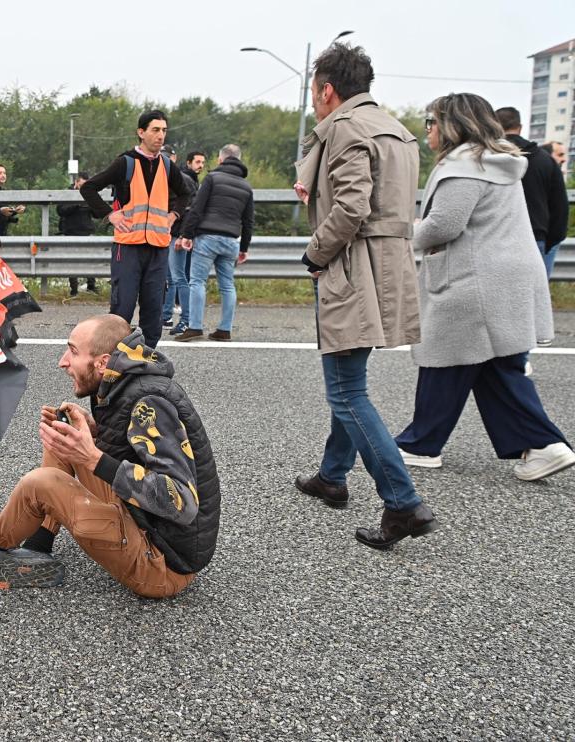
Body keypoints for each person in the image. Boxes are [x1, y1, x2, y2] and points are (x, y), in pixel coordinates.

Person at [0, 314, 220, 595]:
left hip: (162, 563)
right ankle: (37, 547)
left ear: (103, 362)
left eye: (72, 351)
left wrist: (92, 457)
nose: (62, 362)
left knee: (40, 484)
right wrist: (93, 433)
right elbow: (135, 453)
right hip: (148, 524)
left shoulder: (148, 403)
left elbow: (181, 501)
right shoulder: (124, 382)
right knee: (63, 440)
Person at [290, 43, 438, 550]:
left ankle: (402, 502)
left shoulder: (346, 129)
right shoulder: (397, 129)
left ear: (328, 90)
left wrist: (314, 253)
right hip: (388, 267)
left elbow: (351, 207)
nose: (315, 103)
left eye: (314, 92)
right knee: (349, 375)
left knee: (346, 391)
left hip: (353, 267)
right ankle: (333, 475)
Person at [394, 94, 574, 481]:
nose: (428, 128)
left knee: (446, 356)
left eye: (432, 120)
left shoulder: (466, 166)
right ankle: (542, 444)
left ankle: (422, 443)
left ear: (453, 124)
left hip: (475, 278)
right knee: (492, 363)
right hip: (501, 274)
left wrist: (400, 235)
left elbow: (445, 224)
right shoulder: (495, 161)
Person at [80, 110, 195, 348]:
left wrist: (173, 215)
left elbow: (186, 193)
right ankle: (114, 359)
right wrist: (109, 214)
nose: (160, 135)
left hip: (158, 247)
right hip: (128, 247)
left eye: (164, 130)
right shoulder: (126, 162)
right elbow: (89, 188)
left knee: (154, 307)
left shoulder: (166, 164)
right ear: (141, 132)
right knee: (123, 306)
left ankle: (148, 357)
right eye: (155, 130)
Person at [172, 144, 254, 342]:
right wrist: (243, 248)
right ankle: (224, 330)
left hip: (207, 238)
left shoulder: (212, 178)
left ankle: (195, 326)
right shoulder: (246, 186)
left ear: (220, 159)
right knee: (227, 285)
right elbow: (248, 220)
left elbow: (197, 209)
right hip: (231, 241)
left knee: (197, 281)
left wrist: (186, 235)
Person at [494, 107, 569, 278]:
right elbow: (560, 208)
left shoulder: (487, 157)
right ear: (519, 127)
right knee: (534, 301)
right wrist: (548, 242)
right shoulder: (545, 160)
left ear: (494, 126)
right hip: (535, 237)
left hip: (495, 239)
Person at [163, 152, 206, 334]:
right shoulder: (171, 180)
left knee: (179, 277)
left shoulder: (183, 181)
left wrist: (182, 235)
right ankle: (166, 316)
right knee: (172, 278)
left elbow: (191, 210)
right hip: (169, 235)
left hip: (177, 235)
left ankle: (186, 319)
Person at [58, 172, 98, 296]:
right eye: (82, 185)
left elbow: (97, 214)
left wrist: (92, 205)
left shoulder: (90, 193)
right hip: (71, 232)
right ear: (76, 182)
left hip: (86, 232)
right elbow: (61, 211)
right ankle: (74, 290)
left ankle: (91, 287)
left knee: (90, 261)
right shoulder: (67, 193)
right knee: (72, 262)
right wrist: (77, 204)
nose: (84, 188)